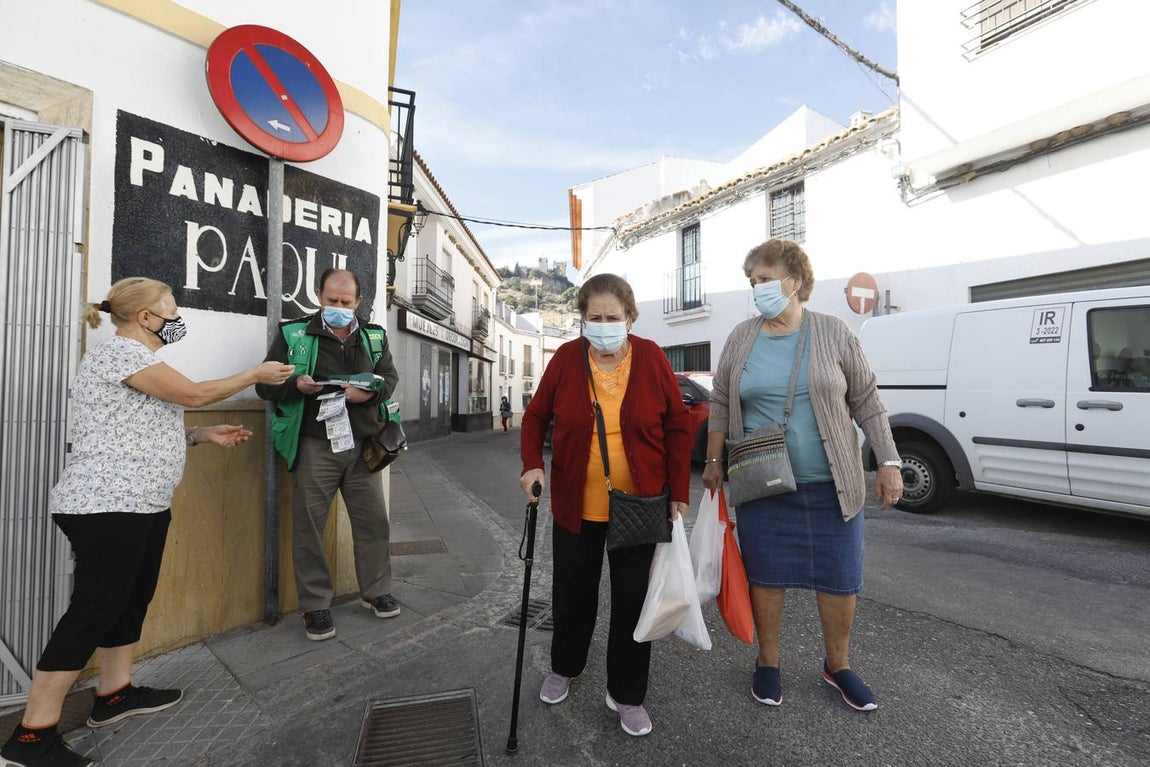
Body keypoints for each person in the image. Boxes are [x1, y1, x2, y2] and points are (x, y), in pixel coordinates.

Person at [0, 277, 295, 767]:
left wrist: (201, 437)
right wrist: (256, 373)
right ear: (144, 317)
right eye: (171, 310)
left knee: (129, 601)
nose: (177, 318)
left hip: (141, 503)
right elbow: (196, 394)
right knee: (93, 610)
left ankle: (114, 695)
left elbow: (134, 430)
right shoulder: (121, 355)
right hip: (107, 505)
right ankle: (31, 737)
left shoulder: (143, 362)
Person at [702, 239, 904, 713]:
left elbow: (867, 401)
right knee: (767, 576)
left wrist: (889, 461)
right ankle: (767, 662)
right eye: (753, 282)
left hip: (834, 486)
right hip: (762, 481)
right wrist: (713, 462)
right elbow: (720, 402)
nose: (758, 290)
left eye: (766, 279)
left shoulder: (834, 333)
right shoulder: (741, 337)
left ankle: (838, 665)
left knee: (838, 578)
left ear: (795, 281)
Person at [519, 273, 692, 737]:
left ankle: (628, 692)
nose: (602, 325)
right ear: (582, 320)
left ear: (630, 318)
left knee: (633, 603)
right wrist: (532, 465)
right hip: (577, 504)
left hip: (639, 505)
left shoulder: (652, 357)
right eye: (593, 318)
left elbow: (678, 425)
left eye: (612, 318)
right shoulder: (565, 360)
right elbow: (536, 417)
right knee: (573, 595)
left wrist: (678, 491)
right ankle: (565, 667)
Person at [257, 268, 401, 641]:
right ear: (318, 295)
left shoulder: (373, 336)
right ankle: (316, 607)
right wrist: (294, 384)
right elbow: (264, 385)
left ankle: (376, 591)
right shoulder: (294, 334)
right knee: (309, 529)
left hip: (362, 446)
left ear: (358, 302)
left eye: (346, 302)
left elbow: (389, 378)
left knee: (373, 523)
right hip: (315, 446)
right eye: (331, 301)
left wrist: (369, 393)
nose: (338, 308)